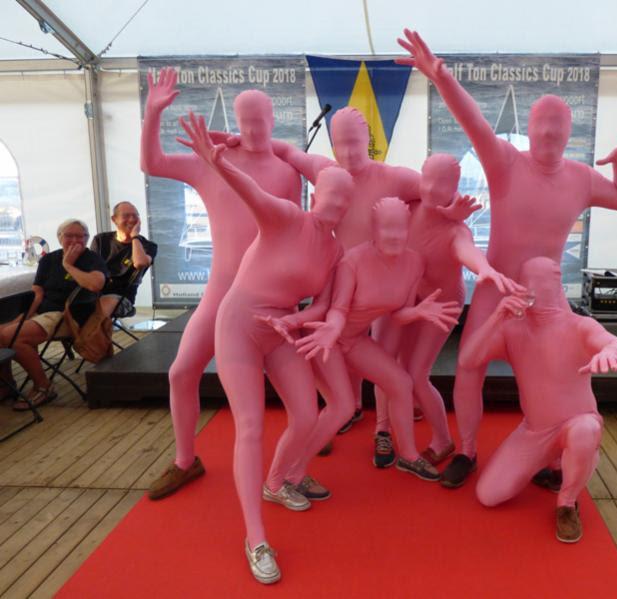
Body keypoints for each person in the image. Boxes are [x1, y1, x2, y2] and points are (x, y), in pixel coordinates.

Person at [397, 29, 617, 487]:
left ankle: (555, 454)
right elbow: (472, 120)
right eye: (540, 127)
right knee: (469, 366)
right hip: (497, 289)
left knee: (556, 375)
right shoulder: (505, 163)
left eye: (557, 129)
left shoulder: (580, 177)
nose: (548, 135)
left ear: (569, 134)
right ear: (530, 130)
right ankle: (469, 450)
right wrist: (441, 77)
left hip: (548, 302)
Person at [180, 112, 355, 585]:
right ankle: (255, 538)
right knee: (251, 426)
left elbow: (322, 304)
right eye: (331, 195)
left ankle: (277, 482)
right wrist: (218, 163)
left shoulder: (335, 252)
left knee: (304, 414)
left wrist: (297, 321)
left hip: (280, 330)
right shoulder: (287, 215)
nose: (336, 205)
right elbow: (250, 192)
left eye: (345, 200)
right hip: (238, 324)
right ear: (317, 194)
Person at [141, 68, 301, 501]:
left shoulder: (287, 171)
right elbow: (152, 163)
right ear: (236, 120)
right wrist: (153, 113)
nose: (251, 129)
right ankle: (184, 459)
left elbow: (298, 233)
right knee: (180, 372)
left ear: (273, 120)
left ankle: (302, 444)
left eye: (259, 120)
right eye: (244, 121)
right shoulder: (214, 161)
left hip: (270, 297)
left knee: (301, 385)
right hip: (221, 291)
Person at [459, 257, 617, 542]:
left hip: (576, 421)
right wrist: (496, 317)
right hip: (535, 429)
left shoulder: (579, 326)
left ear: (557, 287)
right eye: (528, 284)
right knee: (489, 494)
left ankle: (567, 502)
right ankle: (554, 459)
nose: (534, 291)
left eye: (541, 284)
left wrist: (612, 352)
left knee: (585, 430)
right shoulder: (513, 329)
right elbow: (468, 360)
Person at [293, 197, 462, 480]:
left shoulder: (414, 262)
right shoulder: (353, 261)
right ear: (374, 229)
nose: (394, 236)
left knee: (401, 383)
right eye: (387, 228)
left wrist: (419, 311)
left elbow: (399, 314)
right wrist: (332, 330)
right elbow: (338, 308)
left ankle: (408, 456)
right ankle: (292, 473)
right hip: (324, 336)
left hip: (354, 339)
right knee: (343, 407)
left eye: (400, 228)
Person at [373, 154, 523, 467]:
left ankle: (442, 439)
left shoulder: (456, 230)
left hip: (442, 303)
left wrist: (484, 269)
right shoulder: (409, 208)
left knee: (416, 373)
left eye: (442, 183)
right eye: (426, 179)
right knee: (391, 363)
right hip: (408, 297)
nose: (431, 188)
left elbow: (466, 251)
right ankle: (388, 425)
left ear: (454, 188)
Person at [0, 219, 108, 410]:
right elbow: (38, 294)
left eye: (80, 236)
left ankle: (44, 386)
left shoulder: (92, 259)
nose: (74, 240)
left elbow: (95, 285)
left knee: (11, 337)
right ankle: (7, 385)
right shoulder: (48, 260)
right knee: (3, 331)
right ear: (60, 238)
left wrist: (68, 265)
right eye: (69, 236)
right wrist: (22, 318)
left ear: (87, 238)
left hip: (69, 316)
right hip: (43, 313)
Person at [90, 201, 157, 318]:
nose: (131, 220)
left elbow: (140, 263)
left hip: (122, 299)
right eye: (126, 216)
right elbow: (91, 269)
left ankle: (95, 335)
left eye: (135, 216)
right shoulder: (100, 240)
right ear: (114, 219)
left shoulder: (148, 245)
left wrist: (135, 237)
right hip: (95, 293)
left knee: (102, 305)